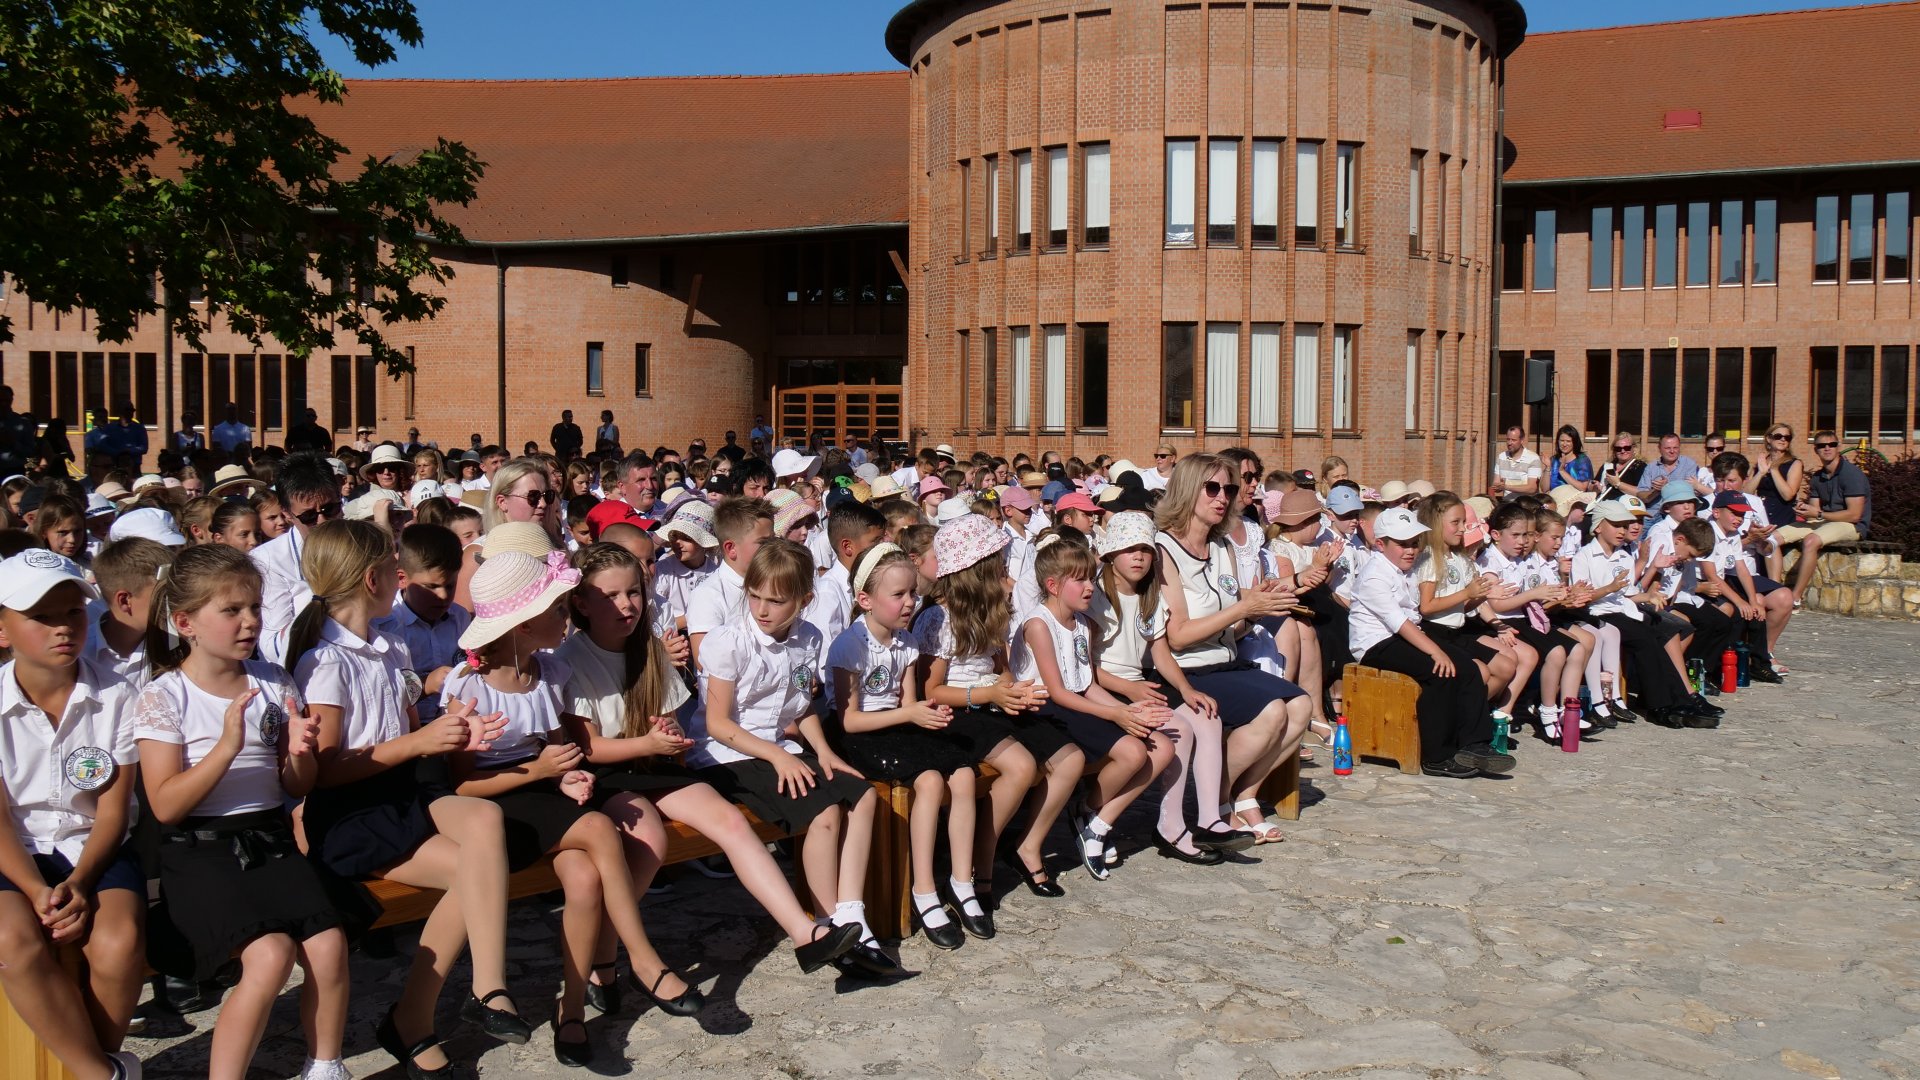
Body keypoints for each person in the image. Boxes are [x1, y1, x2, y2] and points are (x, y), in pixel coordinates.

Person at [446, 550, 701, 1065]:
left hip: (546, 798)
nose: (566, 617)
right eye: (558, 609)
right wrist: (539, 771)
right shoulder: (469, 688)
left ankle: (573, 1009)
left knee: (584, 879)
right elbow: (459, 788)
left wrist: (568, 775)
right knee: (602, 831)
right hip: (497, 807)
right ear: (523, 625)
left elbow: (560, 750)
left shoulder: (548, 673)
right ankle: (642, 959)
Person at [288, 519, 519, 1076]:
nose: (401, 575)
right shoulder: (324, 661)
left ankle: (486, 986)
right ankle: (415, 1017)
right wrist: (419, 741)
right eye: (395, 568)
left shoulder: (389, 644)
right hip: (353, 815)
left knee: (485, 821)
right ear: (373, 580)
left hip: (401, 794)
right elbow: (326, 772)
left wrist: (457, 728)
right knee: (475, 871)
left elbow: (411, 727)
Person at [132, 546, 350, 1080]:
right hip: (201, 854)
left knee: (329, 946)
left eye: (253, 607)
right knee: (270, 954)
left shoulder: (272, 680)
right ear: (186, 623)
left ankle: (325, 1066)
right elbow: (166, 804)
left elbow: (295, 785)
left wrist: (300, 753)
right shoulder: (166, 696)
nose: (250, 620)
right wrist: (226, 746)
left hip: (270, 841)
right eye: (231, 610)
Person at [685, 541, 884, 963]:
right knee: (823, 812)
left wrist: (824, 751)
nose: (762, 609)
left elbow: (800, 706)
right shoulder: (729, 641)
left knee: (862, 794)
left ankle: (851, 913)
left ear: (803, 601)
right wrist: (778, 756)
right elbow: (718, 724)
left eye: (775, 601)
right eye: (754, 596)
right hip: (729, 755)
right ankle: (829, 925)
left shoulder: (807, 638)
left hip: (779, 747)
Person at [0, 550, 145, 1080]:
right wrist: (37, 892)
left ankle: (98, 1059)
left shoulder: (118, 694)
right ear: (2, 630)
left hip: (93, 849)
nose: (63, 627)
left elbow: (111, 810)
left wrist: (80, 883)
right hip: (15, 852)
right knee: (11, 942)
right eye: (41, 617)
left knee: (117, 943)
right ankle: (102, 1074)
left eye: (73, 612)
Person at [830, 545, 985, 947]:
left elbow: (909, 702)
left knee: (964, 773)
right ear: (866, 599)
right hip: (861, 736)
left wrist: (928, 715)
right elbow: (849, 720)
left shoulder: (907, 642)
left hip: (898, 726)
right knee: (930, 781)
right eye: (898, 594)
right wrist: (911, 714)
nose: (909, 602)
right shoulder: (850, 646)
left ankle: (961, 881)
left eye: (912, 593)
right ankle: (924, 889)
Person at [1153, 455, 1309, 842]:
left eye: (1230, 488)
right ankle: (1218, 805)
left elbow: (1234, 625)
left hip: (1225, 662)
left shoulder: (1221, 546)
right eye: (1212, 488)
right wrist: (1244, 608)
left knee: (1301, 705)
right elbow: (1178, 636)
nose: (1223, 497)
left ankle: (1243, 796)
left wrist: (1259, 608)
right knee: (1272, 711)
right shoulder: (1163, 550)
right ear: (1187, 490)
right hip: (1184, 670)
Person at [1090, 511, 1243, 864]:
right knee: (1179, 730)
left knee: (1206, 715)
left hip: (1139, 683)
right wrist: (1128, 689)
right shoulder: (1097, 596)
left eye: (1146, 549)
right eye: (1129, 549)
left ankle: (1210, 820)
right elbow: (1086, 667)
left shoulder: (1149, 596)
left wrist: (1187, 690)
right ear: (1111, 553)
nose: (1139, 557)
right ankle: (1170, 825)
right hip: (1108, 688)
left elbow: (1160, 653)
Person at [1346, 509, 1515, 778]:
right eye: (1402, 544)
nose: (1411, 550)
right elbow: (1399, 622)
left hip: (1406, 634)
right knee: (1441, 672)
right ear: (1380, 544)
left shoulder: (1406, 569)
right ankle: (1436, 756)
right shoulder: (1374, 575)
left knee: (1469, 668)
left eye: (1414, 543)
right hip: (1376, 644)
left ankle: (1474, 744)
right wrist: (1436, 652)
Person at [372, 524, 471, 724]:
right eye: (431, 587)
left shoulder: (459, 617)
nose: (443, 595)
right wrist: (426, 685)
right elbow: (381, 695)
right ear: (402, 578)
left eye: (450, 585)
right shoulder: (384, 626)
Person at [252, 454, 341, 665]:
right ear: (287, 514)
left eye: (330, 509)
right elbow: (272, 647)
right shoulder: (268, 560)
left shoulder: (362, 544)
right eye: (309, 516)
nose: (322, 521)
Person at [1777, 429, 1872, 607]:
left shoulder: (1852, 475)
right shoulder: (1818, 477)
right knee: (1772, 537)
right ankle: (1774, 589)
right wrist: (1805, 510)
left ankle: (1795, 597)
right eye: (1822, 445)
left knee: (1811, 541)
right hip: (1825, 521)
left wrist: (1818, 514)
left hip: (1852, 525)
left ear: (1838, 447)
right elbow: (1815, 510)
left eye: (1832, 444)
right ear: (1816, 449)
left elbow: (1854, 514)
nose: (1827, 448)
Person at [685, 497, 775, 668]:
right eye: (763, 543)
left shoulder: (773, 583)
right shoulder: (708, 595)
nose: (772, 548)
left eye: (773, 540)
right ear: (731, 548)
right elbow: (705, 662)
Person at [1746, 423, 1805, 532]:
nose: (1783, 439)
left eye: (1787, 437)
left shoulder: (1795, 463)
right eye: (1778, 436)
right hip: (1761, 515)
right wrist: (1760, 473)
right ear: (1769, 439)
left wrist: (1774, 469)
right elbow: (1746, 493)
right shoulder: (1762, 462)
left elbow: (1788, 495)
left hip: (1782, 517)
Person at [1638, 434, 1706, 512]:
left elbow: (1688, 492)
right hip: (1654, 512)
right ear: (1659, 448)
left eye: (1675, 447)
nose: (1672, 451)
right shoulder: (1651, 468)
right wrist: (1656, 491)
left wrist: (1667, 487)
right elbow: (1641, 496)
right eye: (1668, 448)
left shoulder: (1689, 464)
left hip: (1679, 512)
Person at [1491, 424, 1544, 498]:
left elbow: (1532, 488)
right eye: (1508, 439)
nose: (1509, 443)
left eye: (1513, 440)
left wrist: (1506, 487)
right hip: (1507, 502)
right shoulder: (1501, 457)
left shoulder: (1533, 458)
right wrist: (1497, 486)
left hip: (1526, 503)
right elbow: (1496, 484)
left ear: (1522, 440)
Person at [0, 385, 41, 478]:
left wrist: (13, 443)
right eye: (1, 400)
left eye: (7, 400)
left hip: (13, 471)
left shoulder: (23, 423)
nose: (3, 404)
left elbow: (30, 451)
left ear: (11, 400)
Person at [1595, 431, 1647, 500]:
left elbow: (1643, 493)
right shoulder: (1607, 466)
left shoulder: (1639, 466)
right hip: (1603, 503)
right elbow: (1594, 486)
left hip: (1627, 504)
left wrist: (1618, 483)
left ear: (1633, 448)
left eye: (1627, 448)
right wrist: (1594, 487)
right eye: (1618, 449)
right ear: (1614, 450)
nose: (1622, 451)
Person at [1547, 424, 1595, 492]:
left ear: (1574, 442)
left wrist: (1562, 471)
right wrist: (1547, 468)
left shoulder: (1582, 460)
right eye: (1562, 440)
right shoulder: (1554, 460)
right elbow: (1544, 489)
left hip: (1576, 498)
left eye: (1568, 441)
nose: (1564, 444)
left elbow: (1583, 487)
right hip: (1555, 497)